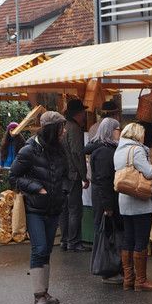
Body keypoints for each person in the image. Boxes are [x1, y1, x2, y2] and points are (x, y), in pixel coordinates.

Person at [10, 111, 69, 304]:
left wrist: (64, 191)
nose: (64, 131)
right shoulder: (28, 150)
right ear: (52, 129)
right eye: (61, 127)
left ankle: (45, 292)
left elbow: (65, 174)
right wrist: (36, 188)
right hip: (35, 208)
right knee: (40, 248)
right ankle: (38, 296)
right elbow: (13, 177)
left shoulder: (59, 149)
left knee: (47, 250)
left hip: (54, 207)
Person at [114, 122, 152, 292]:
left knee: (129, 238)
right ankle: (141, 280)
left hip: (124, 200)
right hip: (139, 200)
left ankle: (128, 279)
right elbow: (149, 172)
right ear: (137, 134)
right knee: (141, 238)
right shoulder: (136, 150)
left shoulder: (119, 150)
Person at [85, 117, 123, 285]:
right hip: (105, 200)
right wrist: (108, 206)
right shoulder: (104, 152)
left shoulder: (103, 149)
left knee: (108, 233)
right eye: (117, 129)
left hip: (103, 198)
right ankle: (108, 270)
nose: (119, 132)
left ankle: (112, 268)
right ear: (110, 131)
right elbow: (104, 180)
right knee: (108, 235)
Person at [60, 99, 90, 252]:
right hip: (72, 174)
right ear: (78, 113)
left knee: (65, 210)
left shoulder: (63, 127)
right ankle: (74, 242)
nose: (85, 114)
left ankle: (65, 240)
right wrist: (84, 176)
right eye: (83, 112)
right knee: (74, 210)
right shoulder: (74, 129)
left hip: (62, 174)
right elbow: (77, 153)